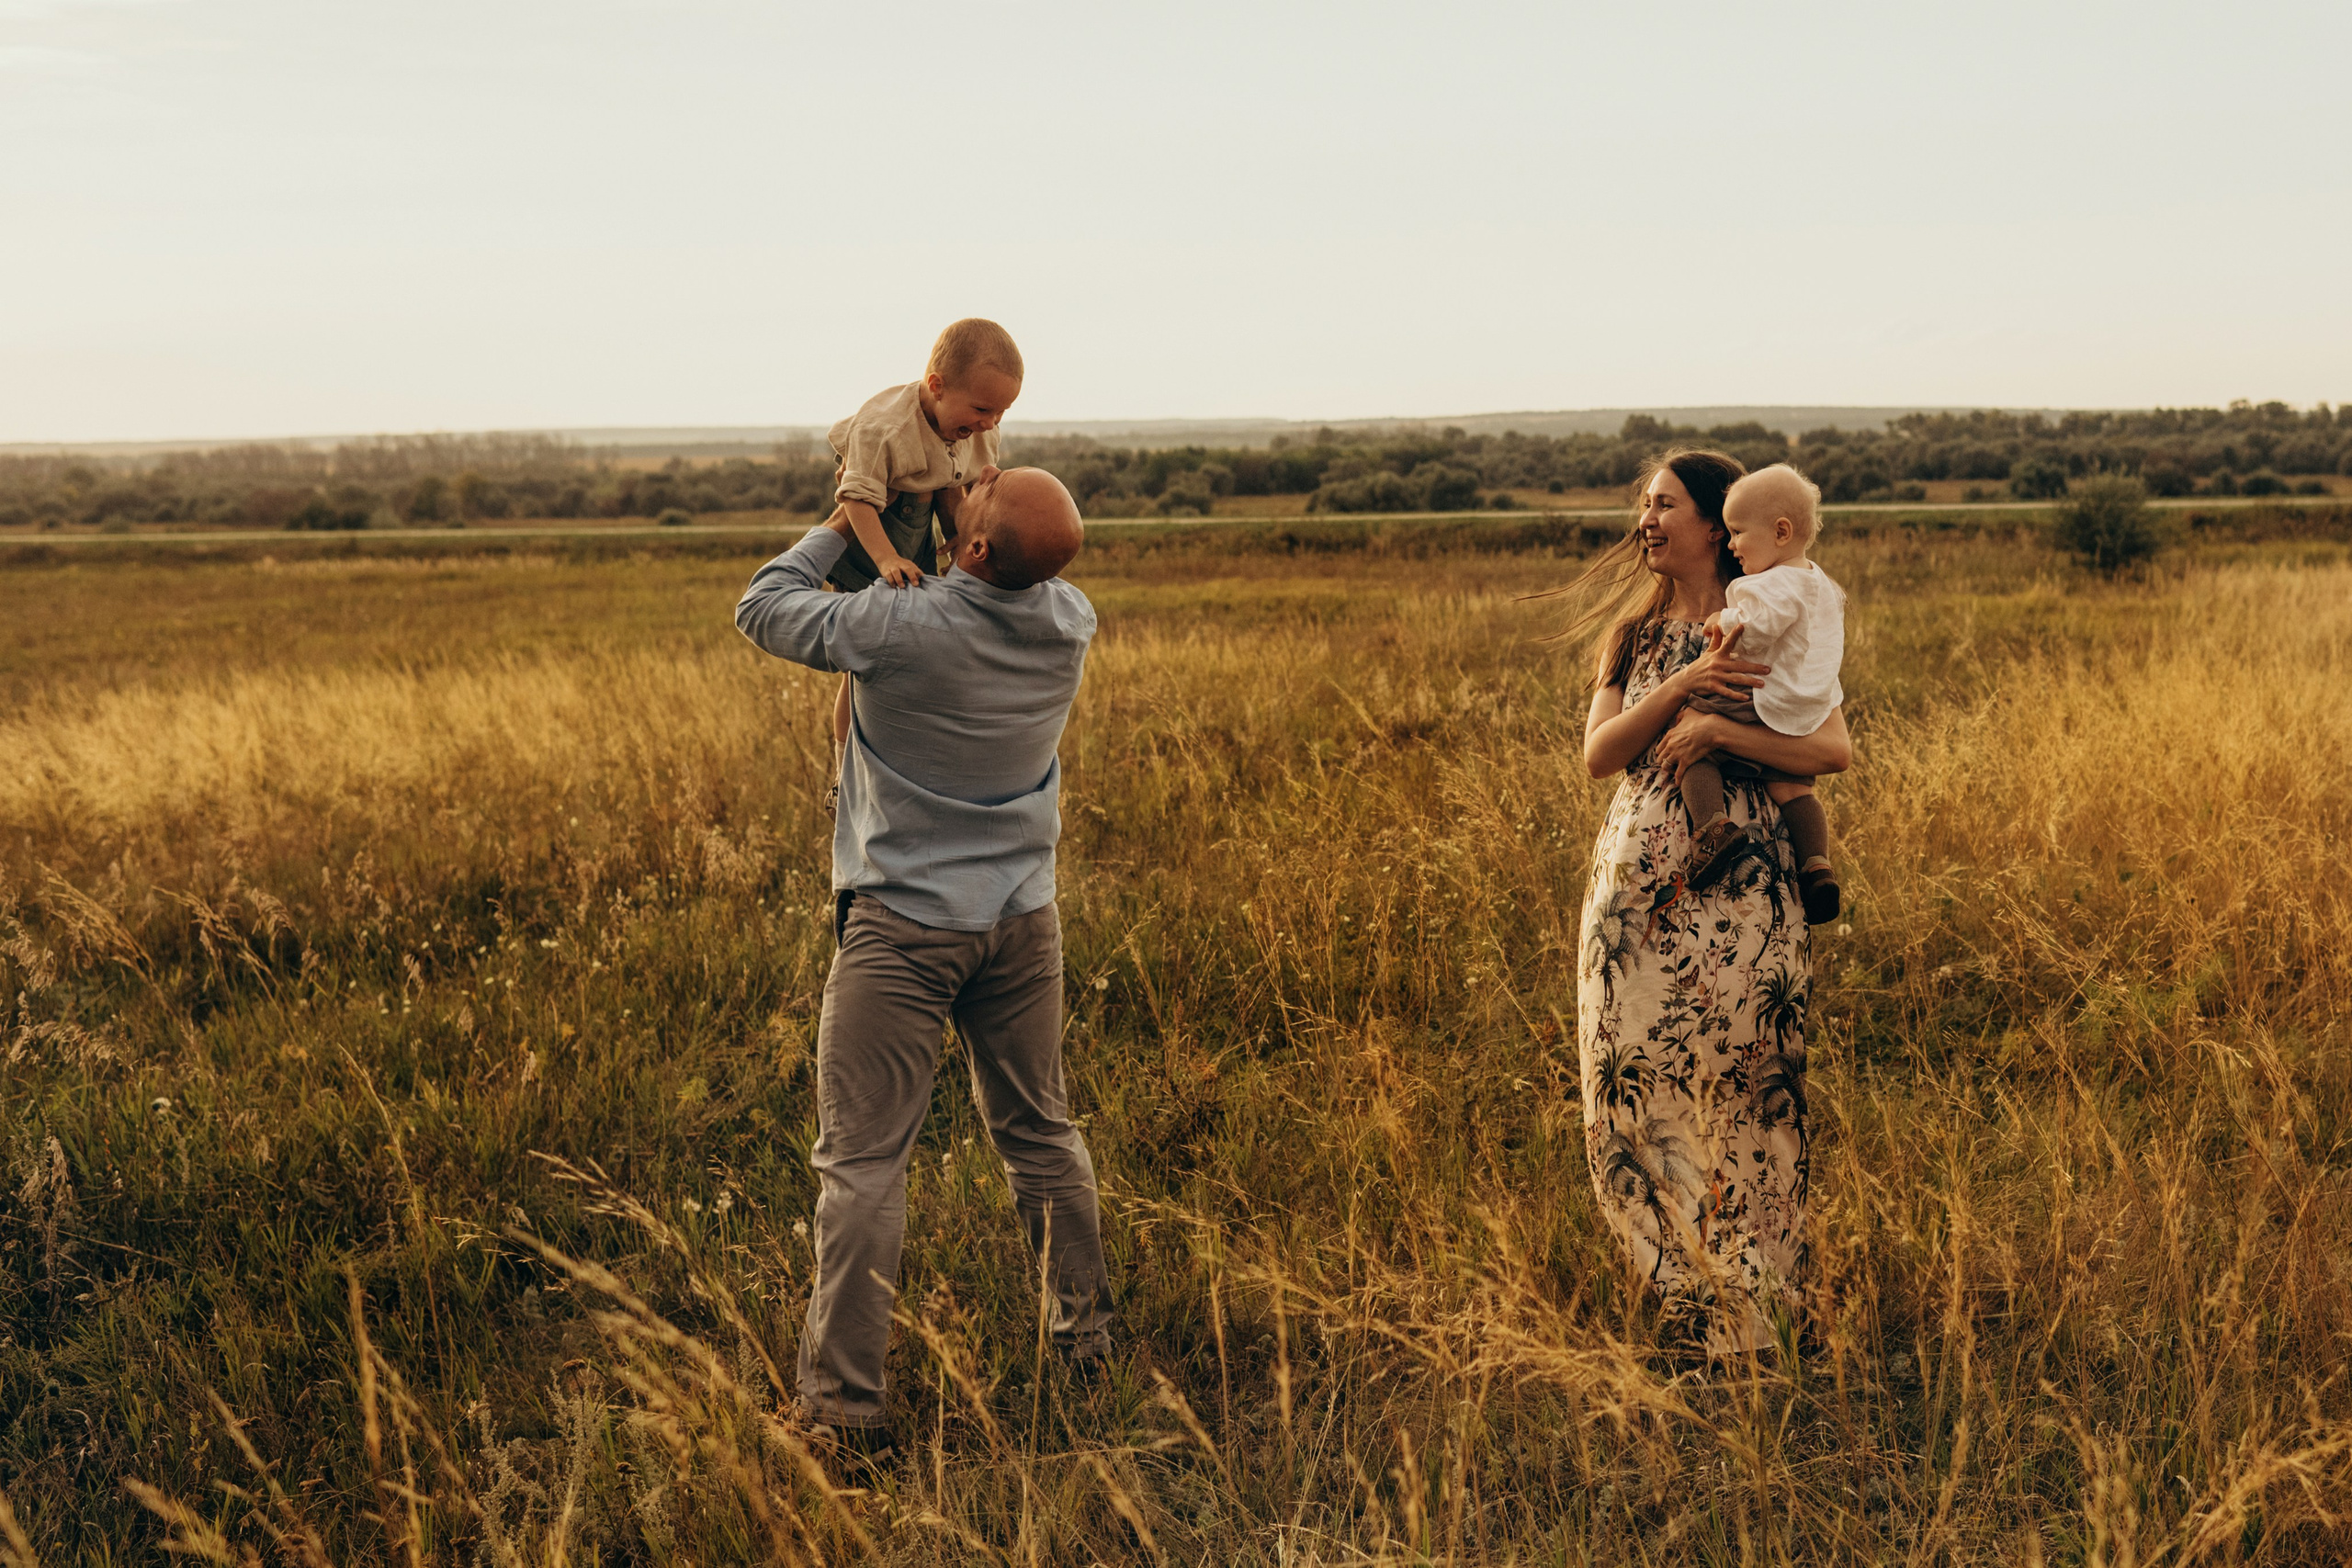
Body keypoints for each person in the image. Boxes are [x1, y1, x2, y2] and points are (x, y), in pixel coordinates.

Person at [733, 463, 1110, 1460]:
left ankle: (842, 1408)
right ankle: (1089, 1344)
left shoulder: (901, 628)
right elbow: (1016, 542)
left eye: (980, 495)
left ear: (974, 549)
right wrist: (962, 495)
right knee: (1041, 1133)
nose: (970, 482)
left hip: (902, 931)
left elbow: (762, 608)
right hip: (1022, 922)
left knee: (861, 1165)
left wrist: (845, 525)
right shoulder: (1069, 618)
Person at [1566, 448, 1851, 1356]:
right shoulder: (1631, 638)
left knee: (1744, 1086)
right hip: (1635, 892)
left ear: (1710, 527)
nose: (1645, 522)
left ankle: (1757, 1314)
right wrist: (1685, 686)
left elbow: (1830, 750)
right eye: (1642, 506)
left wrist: (1723, 730)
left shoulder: (1769, 622)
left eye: (1663, 506)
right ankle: (1679, 1300)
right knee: (1629, 1084)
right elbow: (1600, 754)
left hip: (1738, 884)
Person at [819, 318, 1025, 808]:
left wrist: (962, 540)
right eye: (981, 409)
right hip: (873, 522)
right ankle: (845, 773)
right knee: (864, 667)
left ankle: (911, 759)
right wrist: (886, 557)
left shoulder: (975, 428)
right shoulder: (883, 429)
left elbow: (956, 485)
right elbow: (856, 497)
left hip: (921, 505)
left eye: (1002, 412)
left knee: (916, 649)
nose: (991, 423)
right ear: (936, 387)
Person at [1679, 464, 1845, 922]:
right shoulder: (1819, 583)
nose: (1731, 544)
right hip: (1805, 705)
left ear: (1781, 531)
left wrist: (1723, 620)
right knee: (1792, 785)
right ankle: (1817, 866)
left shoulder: (1775, 581)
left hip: (1759, 695)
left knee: (1691, 736)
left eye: (1737, 532)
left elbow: (1755, 626)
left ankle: (1713, 831)